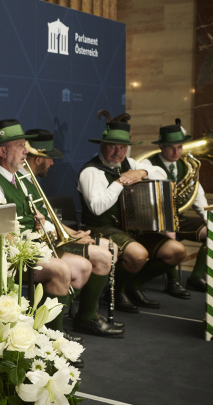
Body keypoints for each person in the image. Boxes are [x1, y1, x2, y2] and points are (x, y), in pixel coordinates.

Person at [0, 120, 93, 354]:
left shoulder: (17, 179)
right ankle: (52, 342)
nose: (26, 150)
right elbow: (1, 241)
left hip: (26, 251)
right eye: (19, 145)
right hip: (4, 259)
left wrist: (39, 225)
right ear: (3, 151)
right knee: (62, 270)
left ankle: (48, 330)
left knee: (82, 265)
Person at [78, 118, 187, 313]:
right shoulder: (91, 171)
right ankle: (114, 291)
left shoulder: (130, 162)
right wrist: (120, 182)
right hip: (100, 229)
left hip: (131, 228)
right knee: (139, 255)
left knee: (177, 251)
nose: (118, 152)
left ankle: (132, 285)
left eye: (123, 147)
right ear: (102, 145)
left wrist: (143, 172)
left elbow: (161, 174)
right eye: (113, 147)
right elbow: (97, 208)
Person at [23, 129, 122, 338]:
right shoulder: (22, 180)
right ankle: (64, 318)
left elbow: (50, 218)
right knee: (103, 255)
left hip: (54, 238)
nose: (52, 164)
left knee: (109, 247)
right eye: (49, 158)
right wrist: (70, 236)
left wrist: (74, 233)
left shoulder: (29, 180)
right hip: (42, 244)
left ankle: (83, 315)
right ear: (38, 158)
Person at [147, 123, 207, 294]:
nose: (176, 152)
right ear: (161, 147)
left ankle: (196, 277)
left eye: (179, 147)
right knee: (170, 239)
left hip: (178, 217)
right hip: (156, 218)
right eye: (171, 148)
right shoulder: (148, 164)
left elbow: (197, 192)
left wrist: (206, 216)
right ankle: (173, 282)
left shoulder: (185, 165)